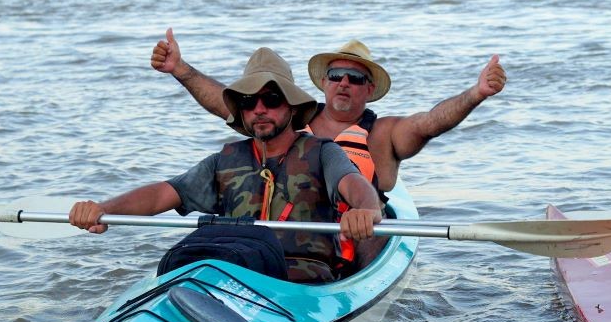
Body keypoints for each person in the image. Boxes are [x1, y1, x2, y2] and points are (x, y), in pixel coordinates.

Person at [150, 30, 506, 266]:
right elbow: (226, 103)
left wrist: (476, 94)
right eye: (336, 76)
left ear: (369, 89)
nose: (344, 83)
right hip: (292, 234)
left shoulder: (384, 133)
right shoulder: (289, 119)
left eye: (356, 78)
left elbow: (430, 122)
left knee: (369, 236)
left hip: (357, 231)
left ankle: (354, 296)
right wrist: (180, 69)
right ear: (323, 82)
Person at [70, 46, 383, 282]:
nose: (259, 109)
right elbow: (162, 194)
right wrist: (104, 209)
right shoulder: (225, 160)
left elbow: (355, 185)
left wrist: (367, 209)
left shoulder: (323, 152)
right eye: (248, 102)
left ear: (291, 106)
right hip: (234, 272)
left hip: (301, 279)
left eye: (271, 99)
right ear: (242, 111)